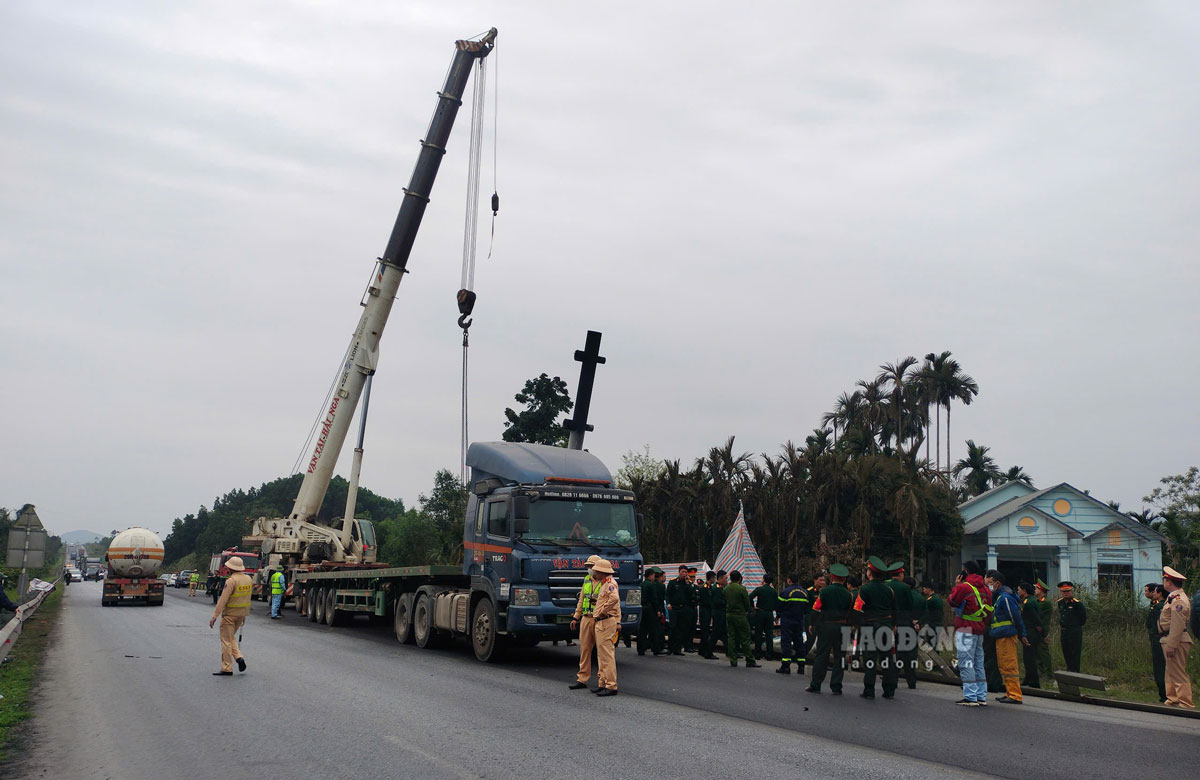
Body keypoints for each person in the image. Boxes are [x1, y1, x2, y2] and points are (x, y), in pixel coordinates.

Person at [948, 560, 992, 706]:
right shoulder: (986, 589)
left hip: (965, 628)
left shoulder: (964, 587)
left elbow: (953, 601)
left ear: (965, 572)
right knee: (979, 663)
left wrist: (956, 586)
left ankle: (970, 696)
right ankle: (981, 696)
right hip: (979, 630)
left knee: (966, 663)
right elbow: (988, 612)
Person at [806, 563, 853, 695]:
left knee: (822, 655)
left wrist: (812, 624)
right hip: (842, 627)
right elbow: (850, 613)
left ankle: (816, 684)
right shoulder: (849, 595)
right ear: (844, 579)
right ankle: (836, 686)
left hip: (826, 626)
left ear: (831, 577)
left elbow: (815, 609)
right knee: (840, 657)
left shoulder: (824, 591)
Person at [855, 557, 897, 700]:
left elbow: (857, 610)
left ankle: (869, 690)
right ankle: (889, 690)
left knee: (870, 659)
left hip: (870, 627)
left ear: (870, 573)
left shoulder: (864, 589)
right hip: (886, 626)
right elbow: (894, 610)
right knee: (887, 659)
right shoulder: (889, 590)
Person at [985, 570, 1028, 704]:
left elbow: (1015, 617)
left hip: (1007, 635)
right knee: (1004, 665)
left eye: (990, 583)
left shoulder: (1005, 597)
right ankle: (1010, 692)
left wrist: (1022, 634)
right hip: (1001, 635)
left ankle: (1015, 695)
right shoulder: (1000, 596)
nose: (988, 586)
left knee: (1009, 665)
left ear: (997, 583)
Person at [209, 556, 252, 676]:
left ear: (230, 568)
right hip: (241, 614)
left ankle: (227, 668)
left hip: (229, 615)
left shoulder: (231, 580)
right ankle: (239, 658)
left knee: (226, 641)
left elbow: (223, 600)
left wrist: (214, 616)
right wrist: (244, 615)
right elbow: (246, 598)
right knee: (231, 637)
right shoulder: (248, 579)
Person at [586, 559, 622, 696]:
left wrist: (602, 610)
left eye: (596, 569)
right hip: (601, 621)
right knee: (601, 655)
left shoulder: (610, 584)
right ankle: (603, 682)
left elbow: (614, 600)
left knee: (606, 655)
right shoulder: (603, 583)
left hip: (605, 621)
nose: (593, 571)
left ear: (602, 571)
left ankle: (611, 685)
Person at [1160, 566, 1194, 708]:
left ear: (1169, 582)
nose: (1164, 583)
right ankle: (1173, 699)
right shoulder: (1173, 597)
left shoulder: (1178, 600)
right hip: (1170, 638)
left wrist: (1172, 645)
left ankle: (1185, 703)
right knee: (1171, 671)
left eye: (1165, 580)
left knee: (1178, 672)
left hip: (1176, 640)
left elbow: (1178, 625)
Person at [568, 555, 603, 690]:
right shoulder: (587, 580)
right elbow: (581, 600)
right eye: (588, 566)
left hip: (600, 619)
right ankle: (582, 679)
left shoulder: (606, 582)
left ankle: (602, 681)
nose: (589, 569)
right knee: (584, 650)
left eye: (591, 566)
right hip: (586, 618)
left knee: (602, 652)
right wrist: (576, 617)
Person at [887, 563, 919, 690]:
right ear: (900, 575)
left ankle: (892, 681)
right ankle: (911, 682)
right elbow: (910, 606)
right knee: (909, 654)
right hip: (905, 624)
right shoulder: (905, 588)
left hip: (890, 624)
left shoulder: (886, 586)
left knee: (894, 654)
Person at [775, 573, 809, 674]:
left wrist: (778, 615)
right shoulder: (805, 592)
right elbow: (807, 608)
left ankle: (786, 666)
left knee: (786, 642)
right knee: (799, 642)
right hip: (799, 621)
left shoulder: (786, 592)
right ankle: (801, 666)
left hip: (787, 621)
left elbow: (779, 606)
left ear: (789, 580)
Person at [724, 570, 758, 668]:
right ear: (740, 579)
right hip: (740, 615)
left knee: (731, 637)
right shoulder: (742, 589)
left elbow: (724, 600)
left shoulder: (726, 588)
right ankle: (749, 659)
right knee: (745, 637)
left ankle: (733, 660)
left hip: (729, 614)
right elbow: (747, 603)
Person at [1017, 582, 1044, 689]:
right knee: (1027, 657)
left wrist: (1041, 631)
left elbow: (1036, 618)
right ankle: (1028, 679)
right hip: (1029, 631)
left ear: (1024, 591)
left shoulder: (1029, 603)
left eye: (1019, 590)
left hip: (1031, 632)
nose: (1018, 592)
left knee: (1030, 658)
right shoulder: (1027, 601)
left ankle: (1034, 681)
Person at [1144, 582, 1167, 702]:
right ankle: (1163, 694)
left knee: (1160, 667)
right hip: (1155, 637)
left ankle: (1164, 695)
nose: (1152, 593)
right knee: (1159, 667)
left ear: (1159, 593)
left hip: (1158, 638)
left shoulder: (1160, 606)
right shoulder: (1155, 604)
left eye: (1154, 591)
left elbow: (1153, 623)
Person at [1057, 581, 1087, 673]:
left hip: (1074, 631)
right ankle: (1069, 671)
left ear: (1071, 591)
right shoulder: (1060, 602)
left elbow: (1083, 618)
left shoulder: (1077, 604)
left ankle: (1075, 673)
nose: (1065, 593)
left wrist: (1075, 625)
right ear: (1061, 592)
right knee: (1066, 652)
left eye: (1067, 591)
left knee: (1075, 653)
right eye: (1063, 591)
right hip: (1064, 631)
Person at [667, 565, 697, 655]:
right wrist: (668, 603)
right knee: (673, 628)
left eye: (685, 572)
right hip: (674, 608)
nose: (684, 574)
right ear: (679, 572)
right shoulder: (673, 582)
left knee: (681, 629)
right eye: (683, 572)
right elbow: (668, 594)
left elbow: (691, 595)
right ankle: (670, 648)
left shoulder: (688, 583)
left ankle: (678, 649)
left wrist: (688, 583)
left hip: (683, 608)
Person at [637, 567, 667, 656]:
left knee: (642, 630)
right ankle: (656, 649)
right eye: (654, 575)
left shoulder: (642, 584)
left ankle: (640, 649)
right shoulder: (651, 585)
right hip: (650, 609)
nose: (654, 577)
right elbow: (654, 598)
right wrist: (658, 610)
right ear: (650, 576)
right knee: (653, 629)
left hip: (642, 608)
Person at [750, 574, 778, 660]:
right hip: (769, 614)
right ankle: (769, 654)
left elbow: (749, 597)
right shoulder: (774, 591)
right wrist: (777, 616)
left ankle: (757, 654)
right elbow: (777, 604)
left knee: (758, 633)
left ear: (764, 580)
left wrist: (753, 606)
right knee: (769, 634)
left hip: (760, 612)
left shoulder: (759, 589)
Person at [802, 572, 827, 668]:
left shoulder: (825, 591)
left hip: (822, 619)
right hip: (811, 618)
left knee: (823, 641)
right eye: (820, 580)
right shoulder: (809, 591)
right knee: (811, 639)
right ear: (815, 580)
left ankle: (821, 662)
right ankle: (801, 656)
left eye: (824, 580)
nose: (822, 582)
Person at [704, 571, 728, 659]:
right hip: (718, 613)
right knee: (715, 633)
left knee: (725, 633)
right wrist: (726, 602)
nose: (726, 580)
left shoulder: (721, 587)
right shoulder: (717, 588)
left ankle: (729, 651)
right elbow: (717, 601)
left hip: (721, 612)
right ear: (720, 578)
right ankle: (708, 652)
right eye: (725, 578)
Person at [1034, 580, 1053, 675]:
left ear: (1041, 590)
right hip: (1038, 630)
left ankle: (1048, 672)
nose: (1035, 590)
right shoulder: (1038, 601)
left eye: (1036, 589)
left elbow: (1035, 612)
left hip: (1042, 630)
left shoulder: (1045, 602)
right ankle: (1041, 671)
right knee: (1037, 652)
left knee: (1043, 652)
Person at [697, 571, 717, 659]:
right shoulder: (705, 588)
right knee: (705, 631)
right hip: (705, 611)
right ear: (711, 578)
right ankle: (705, 651)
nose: (715, 579)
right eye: (714, 578)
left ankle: (701, 650)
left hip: (707, 610)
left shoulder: (710, 587)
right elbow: (706, 601)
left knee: (705, 630)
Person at [920, 582, 944, 650]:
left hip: (932, 624)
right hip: (938, 623)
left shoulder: (930, 600)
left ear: (929, 589)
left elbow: (925, 612)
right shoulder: (937, 598)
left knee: (931, 643)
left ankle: (933, 660)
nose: (923, 590)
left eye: (924, 589)